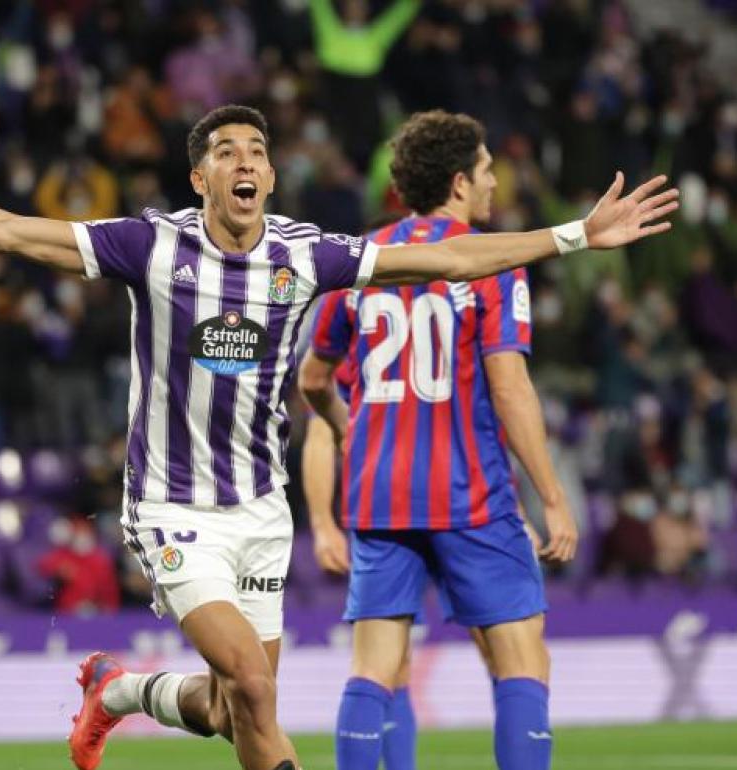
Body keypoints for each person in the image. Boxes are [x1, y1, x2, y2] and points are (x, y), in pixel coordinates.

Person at [0, 105, 676, 770]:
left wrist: (573, 236)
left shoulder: (305, 254)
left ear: (270, 179)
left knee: (236, 706)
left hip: (259, 511)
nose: (245, 161)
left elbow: (447, 257)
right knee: (250, 678)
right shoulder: (151, 247)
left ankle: (118, 692)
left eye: (257, 151)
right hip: (171, 507)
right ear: (200, 180)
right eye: (225, 152)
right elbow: (11, 232)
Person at [298, 111, 579, 770]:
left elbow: (313, 379)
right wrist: (551, 495)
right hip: (467, 489)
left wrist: (345, 427)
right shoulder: (491, 261)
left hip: (377, 493)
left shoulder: (362, 260)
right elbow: (509, 388)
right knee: (522, 660)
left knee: (374, 669)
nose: (494, 183)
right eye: (486, 171)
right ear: (459, 183)